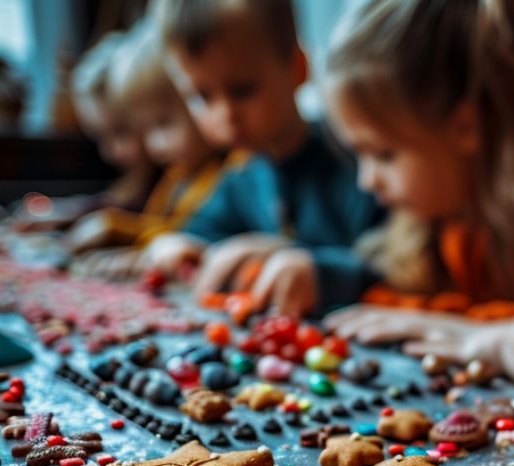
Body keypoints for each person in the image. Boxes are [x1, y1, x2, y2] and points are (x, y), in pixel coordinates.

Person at [320, 0, 514, 345]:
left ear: (464, 127)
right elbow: (387, 305)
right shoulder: (435, 220)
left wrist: (438, 322)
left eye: (384, 155)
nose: (366, 180)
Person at [142, 0, 382, 316]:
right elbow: (202, 230)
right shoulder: (240, 178)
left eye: (242, 90)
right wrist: (178, 245)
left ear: (297, 69)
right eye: (202, 96)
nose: (225, 115)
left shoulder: (361, 163)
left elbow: (395, 263)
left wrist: (313, 266)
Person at [68, 20, 228, 277]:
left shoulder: (228, 175)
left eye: (163, 123)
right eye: (145, 129)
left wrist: (121, 234)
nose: (154, 144)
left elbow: (189, 240)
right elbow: (161, 229)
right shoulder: (176, 176)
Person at [11, 31, 157, 232]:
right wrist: (65, 211)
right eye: (99, 136)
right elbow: (114, 201)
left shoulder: (171, 178)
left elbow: (131, 212)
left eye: (120, 131)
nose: (109, 152)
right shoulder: (137, 176)